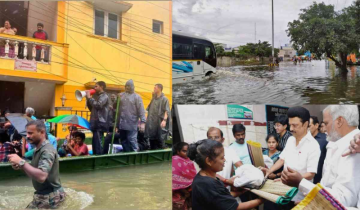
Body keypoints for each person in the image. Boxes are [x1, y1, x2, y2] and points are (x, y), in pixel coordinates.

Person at [282, 105, 360, 209]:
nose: (324, 127)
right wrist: (313, 200)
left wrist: (301, 182)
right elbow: (326, 185)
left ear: (339, 121)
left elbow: (344, 200)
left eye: (326, 123)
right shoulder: (335, 143)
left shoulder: (354, 148)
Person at [263, 106, 320, 206]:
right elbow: (281, 160)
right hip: (285, 191)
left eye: (295, 125)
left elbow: (311, 174)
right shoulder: (290, 140)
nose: (291, 129)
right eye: (290, 125)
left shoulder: (313, 145)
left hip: (300, 196)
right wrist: (270, 170)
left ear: (306, 124)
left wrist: (290, 180)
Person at [188, 139, 263, 210]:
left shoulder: (203, 177)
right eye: (222, 158)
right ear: (209, 161)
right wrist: (261, 200)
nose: (225, 160)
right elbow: (236, 208)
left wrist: (240, 192)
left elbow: (221, 198)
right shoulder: (207, 184)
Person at [8, 120, 66, 209]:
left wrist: (21, 162)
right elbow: (35, 172)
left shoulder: (47, 150)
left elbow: (41, 176)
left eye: (30, 133)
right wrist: (20, 166)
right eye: (27, 133)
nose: (27, 136)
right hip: (42, 194)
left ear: (42, 132)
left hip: (51, 197)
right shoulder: (38, 149)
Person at [206, 127, 243, 192]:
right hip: (210, 190)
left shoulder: (230, 151)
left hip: (226, 190)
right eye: (210, 138)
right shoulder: (204, 153)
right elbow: (207, 173)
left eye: (216, 137)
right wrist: (226, 181)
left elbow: (241, 167)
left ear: (222, 139)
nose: (213, 140)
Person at [118, 79, 146, 152]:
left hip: (132, 123)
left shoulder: (137, 97)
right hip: (122, 123)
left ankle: (135, 154)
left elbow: (141, 110)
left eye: (129, 86)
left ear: (133, 87)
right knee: (123, 140)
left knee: (132, 140)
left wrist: (143, 122)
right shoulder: (121, 95)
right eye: (126, 86)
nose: (127, 87)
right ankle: (127, 154)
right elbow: (117, 108)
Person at [86, 81, 109, 155]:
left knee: (98, 143)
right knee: (95, 143)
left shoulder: (104, 96)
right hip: (95, 123)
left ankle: (99, 158)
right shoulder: (97, 96)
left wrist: (90, 98)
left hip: (100, 123)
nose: (94, 88)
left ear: (101, 87)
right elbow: (92, 108)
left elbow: (98, 105)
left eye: (96, 86)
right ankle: (95, 156)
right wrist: (88, 99)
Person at [145, 84, 170, 150]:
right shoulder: (153, 98)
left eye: (155, 88)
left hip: (159, 122)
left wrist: (164, 120)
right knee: (151, 138)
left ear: (159, 89)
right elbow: (148, 107)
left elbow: (166, 110)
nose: (154, 89)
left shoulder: (164, 99)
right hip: (152, 122)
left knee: (160, 139)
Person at [172, 142, 196, 210]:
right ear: (178, 151)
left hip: (187, 191)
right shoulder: (175, 159)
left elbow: (192, 176)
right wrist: (183, 188)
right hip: (178, 191)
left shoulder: (189, 161)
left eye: (188, 151)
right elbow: (173, 177)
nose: (186, 153)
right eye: (184, 151)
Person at [309, 116, 327, 184]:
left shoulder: (325, 139)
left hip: (320, 179)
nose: (307, 128)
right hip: (307, 178)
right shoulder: (305, 140)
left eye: (309, 126)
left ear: (316, 125)